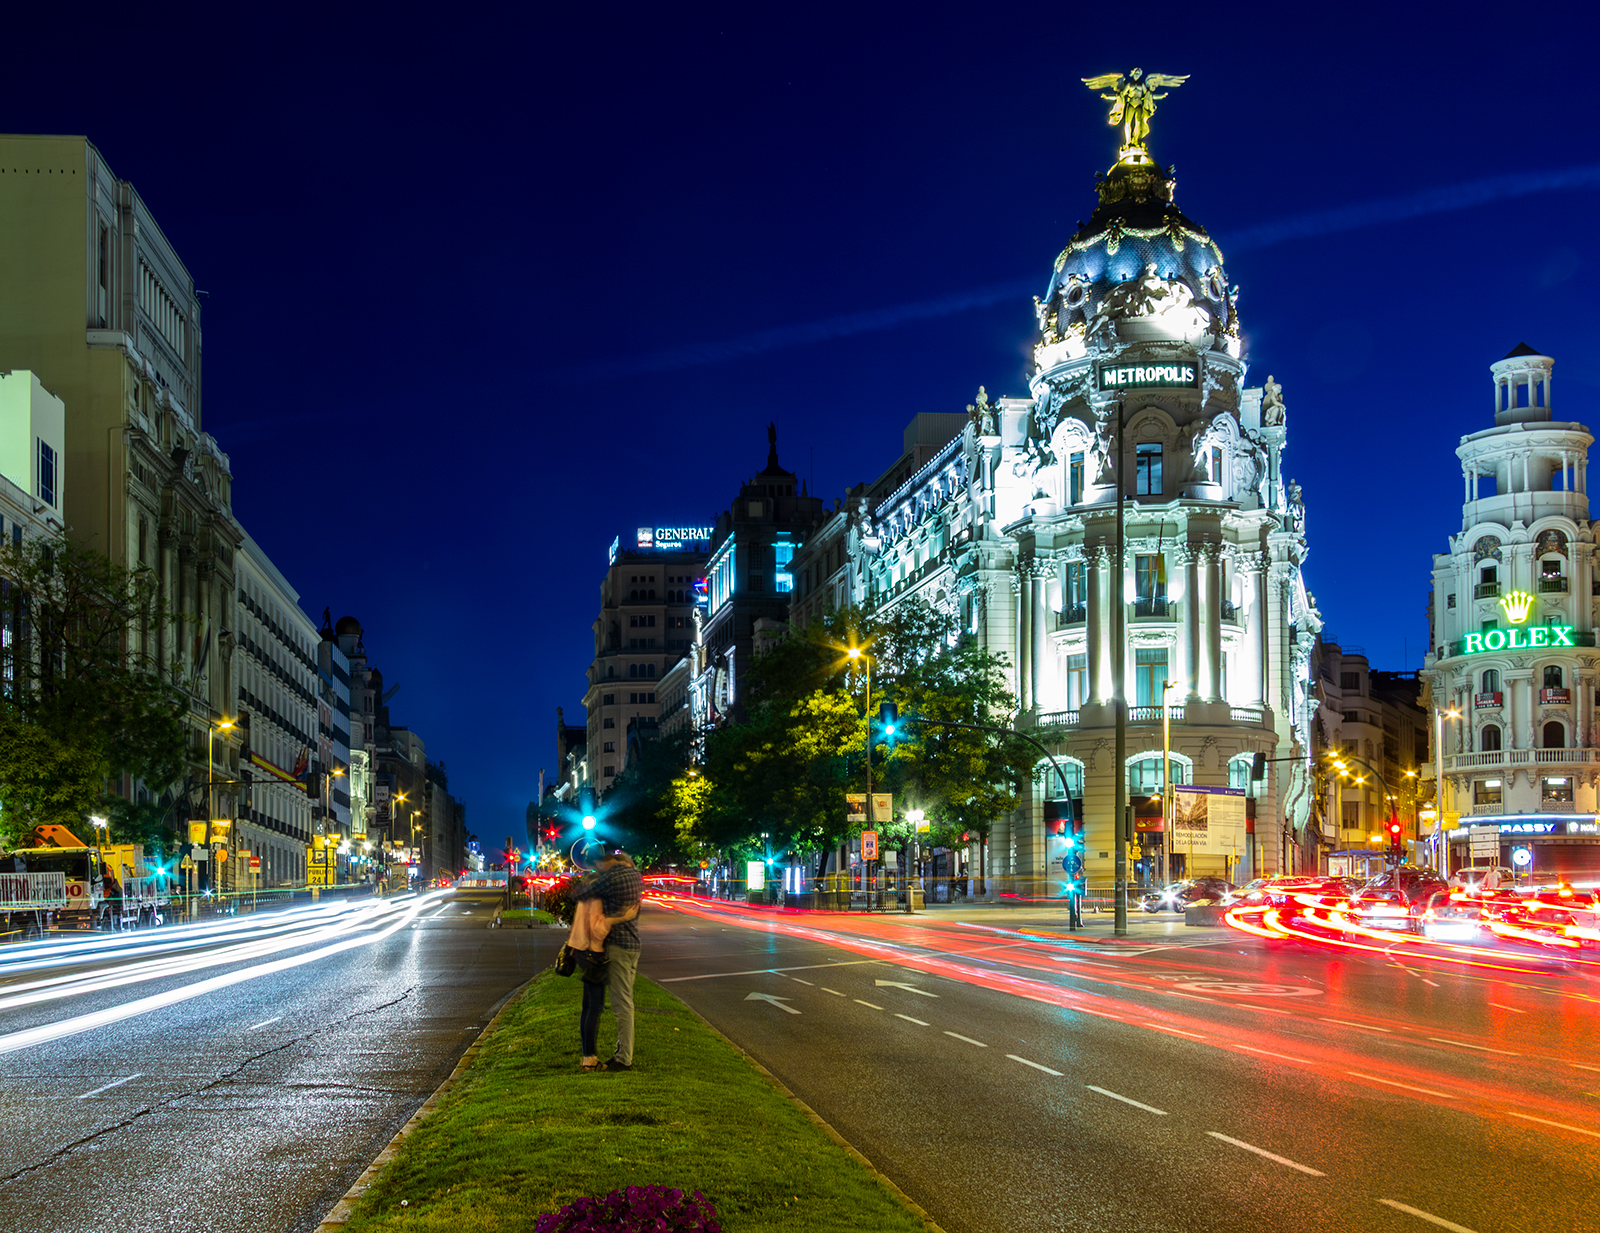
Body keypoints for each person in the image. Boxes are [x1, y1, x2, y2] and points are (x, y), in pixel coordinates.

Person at [574, 844, 643, 1072]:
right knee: (625, 1000)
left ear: (602, 864)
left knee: (621, 1004)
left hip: (618, 946)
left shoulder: (611, 878)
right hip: (634, 944)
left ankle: (624, 1058)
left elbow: (580, 895)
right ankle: (621, 1052)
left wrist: (588, 886)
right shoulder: (635, 876)